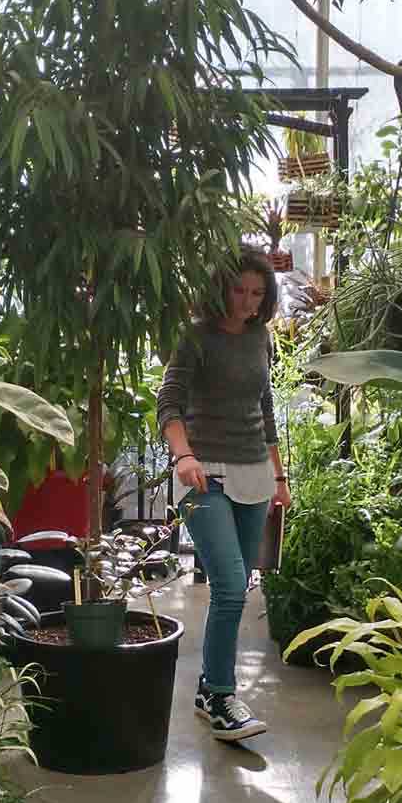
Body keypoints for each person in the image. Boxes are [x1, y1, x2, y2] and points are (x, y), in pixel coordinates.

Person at [157, 251, 291, 742]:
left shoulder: (261, 337)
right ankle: (220, 696)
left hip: (256, 474)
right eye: (240, 291)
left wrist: (279, 480)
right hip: (203, 475)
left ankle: (207, 689)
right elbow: (168, 402)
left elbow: (265, 407)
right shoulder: (195, 337)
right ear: (221, 287)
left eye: (258, 294)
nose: (248, 303)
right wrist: (182, 456)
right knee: (232, 586)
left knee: (233, 589)